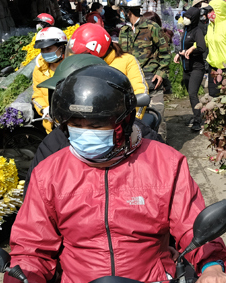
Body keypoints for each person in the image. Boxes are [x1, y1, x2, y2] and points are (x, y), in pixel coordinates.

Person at [0, 64, 226, 283]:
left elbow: (193, 224)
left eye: (97, 124)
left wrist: (211, 267)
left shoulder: (165, 162)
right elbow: (30, 246)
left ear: (123, 122)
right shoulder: (49, 174)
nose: (85, 132)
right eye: (76, 124)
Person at [24, 54, 163, 193]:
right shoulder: (53, 145)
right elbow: (34, 199)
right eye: (76, 125)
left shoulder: (144, 140)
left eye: (96, 125)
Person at [66, 23, 148, 119]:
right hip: (85, 120)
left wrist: (132, 121)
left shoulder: (128, 61)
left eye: (83, 55)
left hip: (118, 121)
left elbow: (140, 90)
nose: (80, 59)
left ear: (96, 50)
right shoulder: (83, 64)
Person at [115, 0, 172, 94]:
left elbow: (166, 53)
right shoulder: (124, 31)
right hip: (130, 81)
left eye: (121, 10)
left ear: (127, 11)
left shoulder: (152, 28)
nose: (119, 12)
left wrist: (160, 73)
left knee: (152, 110)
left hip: (151, 80)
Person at [176, 4, 209, 131]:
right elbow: (183, 47)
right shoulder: (186, 30)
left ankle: (198, 121)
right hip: (186, 67)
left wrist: (191, 50)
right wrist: (179, 54)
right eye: (185, 16)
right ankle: (197, 115)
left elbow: (201, 47)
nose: (185, 19)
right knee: (190, 95)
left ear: (194, 18)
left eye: (188, 17)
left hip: (197, 67)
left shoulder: (197, 31)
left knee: (192, 93)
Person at [31, 27, 68, 133]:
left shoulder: (72, 66)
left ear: (61, 47)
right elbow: (37, 95)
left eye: (48, 49)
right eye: (42, 50)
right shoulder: (39, 70)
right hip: (52, 128)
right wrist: (44, 109)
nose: (44, 52)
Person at [205, 0, 226, 97]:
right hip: (213, 67)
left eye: (211, 11)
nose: (209, 14)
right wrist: (193, 47)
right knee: (212, 95)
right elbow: (206, 41)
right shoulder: (211, 25)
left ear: (218, 11)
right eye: (208, 11)